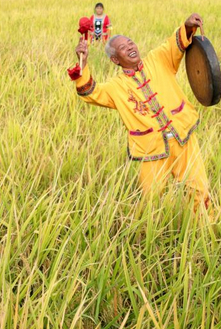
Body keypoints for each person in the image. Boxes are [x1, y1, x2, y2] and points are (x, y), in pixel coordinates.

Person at [68, 14, 211, 212]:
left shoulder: (158, 59)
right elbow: (89, 92)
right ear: (115, 59)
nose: (131, 47)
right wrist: (82, 65)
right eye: (124, 48)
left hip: (183, 136)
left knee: (200, 191)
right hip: (150, 148)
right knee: (151, 201)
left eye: (131, 43)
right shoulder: (115, 87)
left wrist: (187, 26)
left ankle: (207, 228)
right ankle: (154, 236)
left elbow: (175, 43)